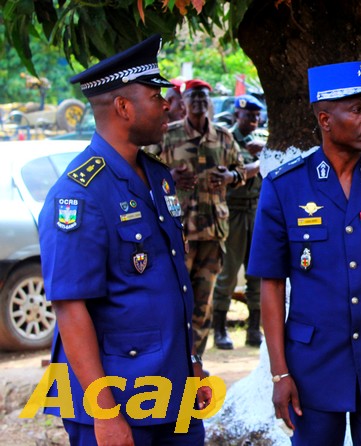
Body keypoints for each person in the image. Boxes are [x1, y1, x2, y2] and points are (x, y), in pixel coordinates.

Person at [248, 61, 361, 445]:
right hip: (311, 368)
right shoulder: (285, 188)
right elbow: (271, 284)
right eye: (357, 109)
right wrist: (280, 373)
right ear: (325, 119)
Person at [38, 35, 210, 444]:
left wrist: (191, 365)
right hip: (117, 397)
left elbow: (168, 285)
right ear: (123, 107)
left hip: (170, 387)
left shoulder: (155, 175)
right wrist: (105, 413)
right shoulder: (80, 193)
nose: (168, 104)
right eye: (156, 95)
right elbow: (70, 304)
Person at [147, 78, 245, 355]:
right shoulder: (168, 135)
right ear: (184, 102)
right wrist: (169, 177)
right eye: (194, 97)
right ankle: (172, 357)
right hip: (179, 234)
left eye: (204, 98)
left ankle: (195, 359)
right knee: (175, 299)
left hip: (213, 233)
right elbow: (142, 172)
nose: (199, 103)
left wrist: (230, 176)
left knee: (203, 302)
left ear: (210, 103)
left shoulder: (224, 137)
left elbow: (240, 171)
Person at [211, 94, 266, 349]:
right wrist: (258, 162)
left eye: (256, 116)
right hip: (233, 211)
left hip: (256, 210)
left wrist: (263, 154)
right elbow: (230, 174)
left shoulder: (262, 141)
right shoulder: (226, 140)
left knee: (257, 271)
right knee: (228, 272)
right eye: (248, 116)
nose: (253, 120)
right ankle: (219, 328)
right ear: (237, 116)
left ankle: (254, 329)